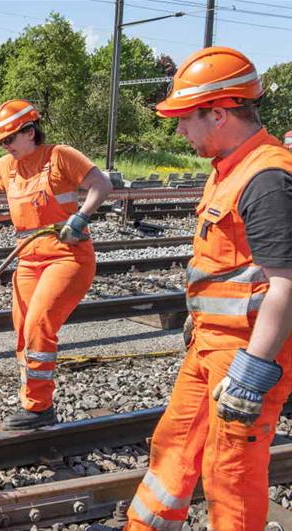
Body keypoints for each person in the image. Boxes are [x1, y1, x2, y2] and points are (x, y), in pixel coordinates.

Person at [95, 46, 292, 531]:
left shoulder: (266, 178)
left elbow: (286, 285)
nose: (179, 129)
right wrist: (197, 318)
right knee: (174, 444)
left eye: (185, 118)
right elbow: (228, 269)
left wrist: (252, 371)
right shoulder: (229, 168)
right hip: (210, 343)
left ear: (220, 113)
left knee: (230, 473)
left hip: (245, 354)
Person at [0, 99, 113, 430]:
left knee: (40, 323)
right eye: (2, 143)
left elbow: (102, 184)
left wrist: (80, 218)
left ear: (29, 131)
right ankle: (31, 401)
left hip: (68, 256)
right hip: (28, 258)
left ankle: (40, 408)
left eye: (10, 139)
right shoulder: (7, 167)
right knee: (23, 329)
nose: (6, 147)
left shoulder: (59, 156)